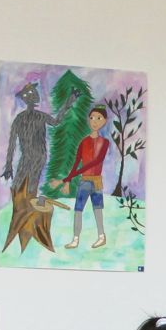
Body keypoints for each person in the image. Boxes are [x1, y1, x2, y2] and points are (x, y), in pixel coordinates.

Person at [63, 105, 111, 250]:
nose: (94, 121)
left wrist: (72, 175)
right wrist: (68, 180)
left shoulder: (105, 142)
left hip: (96, 181)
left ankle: (101, 237)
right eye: (92, 118)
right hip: (84, 181)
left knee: (98, 209)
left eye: (99, 118)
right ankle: (75, 239)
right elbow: (76, 162)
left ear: (104, 121)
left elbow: (97, 161)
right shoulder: (83, 142)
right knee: (78, 210)